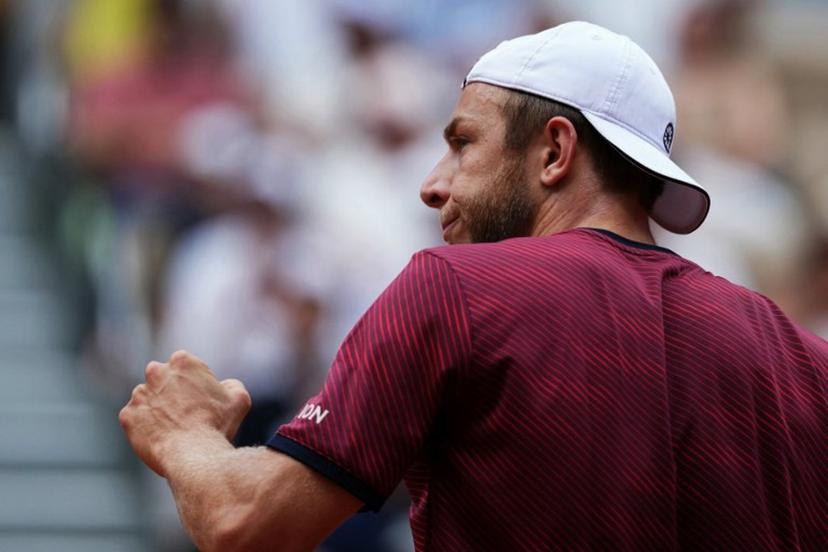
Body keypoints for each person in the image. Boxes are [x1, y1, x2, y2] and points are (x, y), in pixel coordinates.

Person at [119, 22, 827, 551]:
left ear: (555, 151)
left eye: (463, 143)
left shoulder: (456, 290)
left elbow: (247, 523)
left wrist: (185, 434)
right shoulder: (805, 362)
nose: (433, 184)